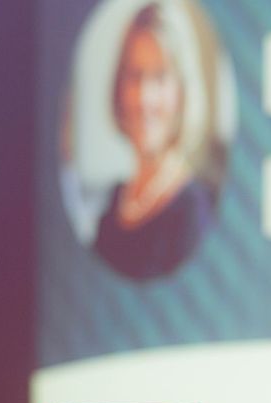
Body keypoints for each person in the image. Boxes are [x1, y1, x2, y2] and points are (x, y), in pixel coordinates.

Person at [93, 1, 219, 279]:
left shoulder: (192, 212)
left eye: (159, 77)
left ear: (181, 92)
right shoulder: (111, 204)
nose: (144, 98)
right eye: (135, 76)